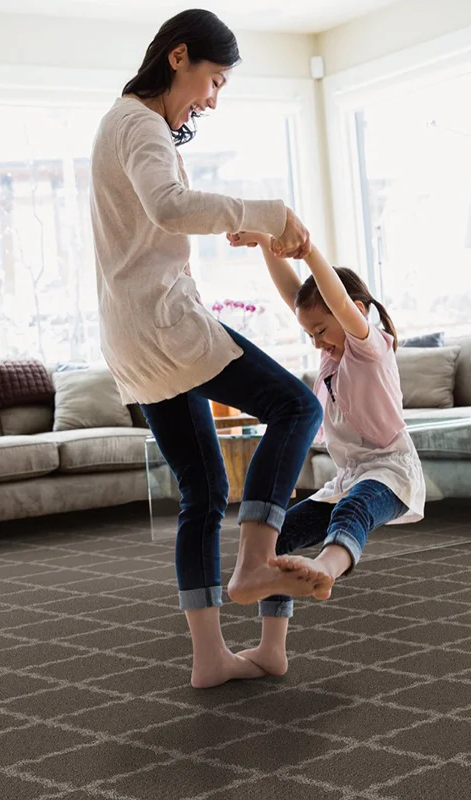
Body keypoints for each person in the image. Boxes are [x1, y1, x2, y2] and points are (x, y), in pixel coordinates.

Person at [90, 8, 325, 690]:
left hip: (131, 337)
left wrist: (234, 227)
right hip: (164, 326)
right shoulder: (141, 123)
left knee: (202, 491)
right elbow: (168, 206)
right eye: (213, 80)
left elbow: (161, 214)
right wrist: (267, 214)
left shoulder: (124, 122)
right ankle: (255, 559)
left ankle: (209, 657)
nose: (213, 98)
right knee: (298, 407)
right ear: (178, 56)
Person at [225, 231, 426, 676]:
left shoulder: (368, 346)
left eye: (320, 331)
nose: (316, 343)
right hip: (349, 476)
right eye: (310, 334)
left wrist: (311, 252)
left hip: (391, 471)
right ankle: (271, 649)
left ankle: (326, 568)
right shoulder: (331, 357)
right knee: (273, 545)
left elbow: (329, 296)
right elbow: (296, 295)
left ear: (352, 313)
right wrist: (264, 245)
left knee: (352, 510)